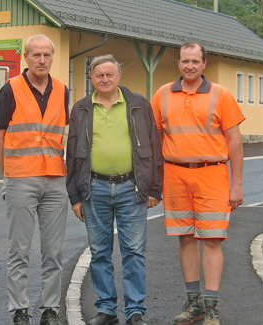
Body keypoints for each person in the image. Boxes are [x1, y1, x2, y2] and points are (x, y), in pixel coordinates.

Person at [150, 42, 245, 325]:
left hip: (212, 174)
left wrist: (236, 184)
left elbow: (235, 143)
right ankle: (194, 304)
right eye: (184, 61)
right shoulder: (162, 95)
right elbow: (155, 141)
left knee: (213, 240)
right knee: (186, 239)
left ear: (204, 64)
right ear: (178, 63)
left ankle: (211, 306)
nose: (189, 66)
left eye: (194, 61)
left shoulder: (221, 95)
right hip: (175, 175)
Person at [66, 54, 163, 325]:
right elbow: (72, 152)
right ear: (91, 78)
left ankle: (135, 312)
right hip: (93, 188)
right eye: (99, 75)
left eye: (110, 74)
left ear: (119, 76)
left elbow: (155, 148)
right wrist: (74, 195)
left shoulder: (139, 105)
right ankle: (107, 309)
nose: (105, 79)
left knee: (133, 250)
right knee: (99, 251)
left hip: (131, 188)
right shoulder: (81, 109)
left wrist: (155, 188)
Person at [0, 34, 69, 325]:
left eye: (47, 55)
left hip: (55, 179)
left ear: (52, 56)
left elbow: (65, 132)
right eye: (36, 55)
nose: (42, 60)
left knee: (54, 251)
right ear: (26, 57)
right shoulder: (10, 90)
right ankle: (19, 310)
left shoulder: (62, 90)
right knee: (19, 250)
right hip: (21, 179)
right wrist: (8, 173)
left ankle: (50, 309)